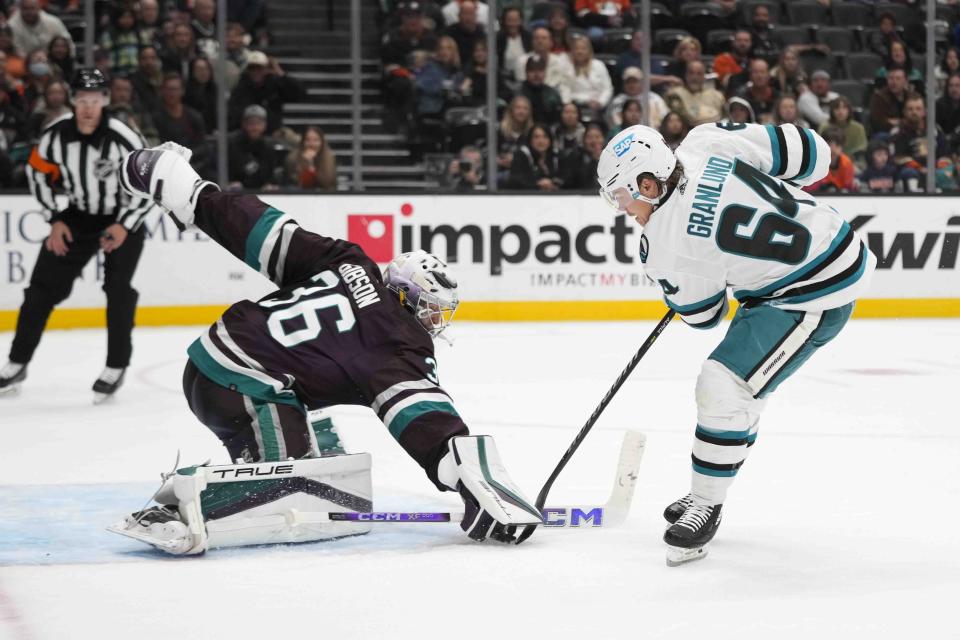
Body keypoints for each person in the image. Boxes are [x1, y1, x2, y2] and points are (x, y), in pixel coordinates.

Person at [112, 141, 541, 553]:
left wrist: (186, 188)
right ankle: (177, 508)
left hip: (225, 360)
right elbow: (425, 416)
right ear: (408, 296)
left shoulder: (350, 261)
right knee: (296, 497)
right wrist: (471, 484)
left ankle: (194, 490)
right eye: (430, 309)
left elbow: (265, 232)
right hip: (243, 381)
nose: (433, 322)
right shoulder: (396, 341)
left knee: (326, 476)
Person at [596, 119, 876, 566]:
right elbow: (812, 152)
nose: (624, 209)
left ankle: (706, 502)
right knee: (738, 390)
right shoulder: (705, 140)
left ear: (647, 183)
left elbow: (705, 316)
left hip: (814, 292)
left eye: (624, 197)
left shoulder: (661, 246)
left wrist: (683, 280)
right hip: (824, 251)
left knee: (724, 386)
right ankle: (710, 483)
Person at [0, 69, 154, 400]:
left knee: (117, 288)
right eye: (82, 100)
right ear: (72, 101)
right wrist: (55, 218)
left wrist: (124, 224)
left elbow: (147, 182)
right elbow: (37, 173)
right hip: (78, 216)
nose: (88, 107)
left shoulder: (122, 137)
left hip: (122, 219)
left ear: (106, 101)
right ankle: (17, 361)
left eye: (94, 100)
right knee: (40, 290)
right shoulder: (55, 135)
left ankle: (116, 365)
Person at [227, 50, 304, 135]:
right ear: (248, 70)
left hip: (273, 132)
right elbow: (233, 113)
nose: (256, 72)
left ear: (266, 69)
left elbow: (298, 94)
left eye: (259, 68)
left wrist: (280, 74)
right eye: (252, 68)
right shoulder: (240, 88)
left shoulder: (275, 84)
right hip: (247, 133)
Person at [514, 26, 574, 102]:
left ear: (551, 42)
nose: (540, 41)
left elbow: (566, 86)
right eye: (537, 38)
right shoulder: (522, 61)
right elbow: (522, 85)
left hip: (555, 100)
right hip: (529, 99)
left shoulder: (562, 62)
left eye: (544, 38)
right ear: (532, 42)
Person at [227, 104, 277, 190]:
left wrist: (269, 184)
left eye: (258, 123)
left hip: (262, 192)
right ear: (243, 124)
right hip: (237, 192)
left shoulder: (268, 147)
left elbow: (270, 175)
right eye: (251, 123)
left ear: (265, 125)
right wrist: (231, 182)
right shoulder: (233, 146)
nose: (255, 128)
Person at [664, 60, 725, 128]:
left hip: (716, 132)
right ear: (686, 75)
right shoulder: (675, 94)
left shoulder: (716, 95)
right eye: (691, 73)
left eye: (699, 73)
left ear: (704, 76)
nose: (694, 77)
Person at [8, 0, 72, 60]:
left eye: (32, 8)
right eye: (25, 8)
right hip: (24, 62)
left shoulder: (53, 22)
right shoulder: (12, 25)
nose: (29, 12)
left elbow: (68, 42)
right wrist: (35, 59)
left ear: (39, 8)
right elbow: (16, 49)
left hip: (53, 61)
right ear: (20, 9)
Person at [567, 36, 612, 120]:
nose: (579, 52)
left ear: (589, 50)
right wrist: (586, 101)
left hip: (599, 108)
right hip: (576, 108)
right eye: (577, 48)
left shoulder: (599, 65)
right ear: (572, 51)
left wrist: (600, 102)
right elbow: (566, 92)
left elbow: (607, 88)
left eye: (583, 48)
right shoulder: (567, 68)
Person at [507, 123, 562, 190]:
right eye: (536, 137)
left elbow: (566, 177)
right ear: (530, 140)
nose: (541, 141)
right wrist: (537, 184)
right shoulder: (522, 155)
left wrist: (553, 183)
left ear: (550, 140)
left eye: (545, 137)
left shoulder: (557, 156)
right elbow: (515, 180)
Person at [284, 126, 337, 191]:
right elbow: (294, 182)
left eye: (316, 140)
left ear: (322, 142)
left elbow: (329, 184)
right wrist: (307, 163)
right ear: (303, 142)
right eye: (307, 140)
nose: (312, 144)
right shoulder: (292, 159)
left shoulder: (329, 159)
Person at [804, 127, 856, 193]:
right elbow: (807, 187)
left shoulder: (846, 162)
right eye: (829, 144)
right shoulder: (815, 162)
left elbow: (849, 186)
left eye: (838, 144)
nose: (833, 148)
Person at [518, 54, 562, 127]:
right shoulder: (518, 93)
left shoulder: (552, 94)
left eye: (540, 70)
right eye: (532, 70)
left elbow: (557, 121)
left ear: (545, 72)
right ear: (526, 72)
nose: (536, 74)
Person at [818, 96, 866, 161]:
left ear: (849, 110)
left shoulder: (858, 128)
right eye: (837, 108)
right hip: (828, 161)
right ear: (832, 111)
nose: (841, 111)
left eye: (844, 108)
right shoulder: (824, 126)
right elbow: (819, 148)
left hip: (853, 161)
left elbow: (862, 148)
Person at [98, 6, 142, 77]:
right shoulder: (109, 35)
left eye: (130, 17)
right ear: (117, 18)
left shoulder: (137, 34)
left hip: (134, 73)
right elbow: (103, 54)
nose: (127, 20)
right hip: (115, 73)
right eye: (124, 17)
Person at [869, 65, 909, 135]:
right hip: (886, 134)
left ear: (905, 81)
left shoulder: (912, 96)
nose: (894, 82)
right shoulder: (879, 97)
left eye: (898, 79)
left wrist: (896, 121)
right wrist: (904, 122)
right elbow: (878, 123)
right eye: (891, 78)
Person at [496, 6, 530, 81]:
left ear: (521, 21)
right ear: (504, 21)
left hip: (527, 78)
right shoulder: (498, 39)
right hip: (505, 79)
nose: (512, 24)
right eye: (509, 20)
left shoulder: (528, 37)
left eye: (515, 20)